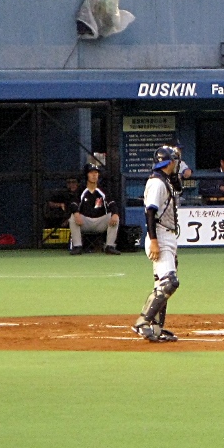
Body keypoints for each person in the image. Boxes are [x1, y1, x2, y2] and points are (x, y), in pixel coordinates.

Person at [131, 146, 180, 343]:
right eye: (174, 161)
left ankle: (157, 328)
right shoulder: (157, 183)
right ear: (169, 163)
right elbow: (150, 212)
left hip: (167, 237)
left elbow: (178, 185)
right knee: (170, 282)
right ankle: (143, 322)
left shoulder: (165, 180)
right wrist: (153, 241)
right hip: (159, 236)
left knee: (162, 284)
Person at [69, 163, 121, 255]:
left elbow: (112, 203)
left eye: (96, 173)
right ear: (86, 175)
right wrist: (76, 214)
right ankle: (77, 246)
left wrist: (115, 214)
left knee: (114, 217)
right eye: (91, 173)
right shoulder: (81, 190)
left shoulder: (103, 190)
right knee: (72, 218)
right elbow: (73, 204)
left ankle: (110, 246)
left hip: (100, 222)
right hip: (84, 222)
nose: (94, 175)